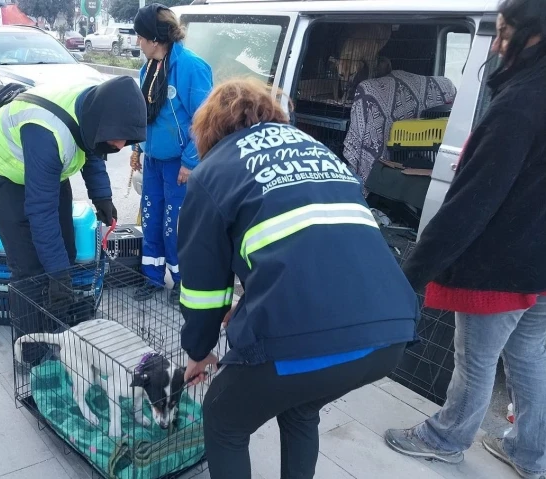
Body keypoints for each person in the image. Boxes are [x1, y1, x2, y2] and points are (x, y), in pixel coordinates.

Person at [178, 78, 419, 479]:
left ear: (211, 130)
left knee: (224, 419)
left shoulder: (214, 171)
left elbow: (203, 289)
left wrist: (199, 352)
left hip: (303, 338)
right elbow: (317, 248)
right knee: (300, 407)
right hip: (389, 333)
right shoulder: (320, 152)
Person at [384, 1, 546, 478]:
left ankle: (445, 438)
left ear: (532, 35)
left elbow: (471, 203)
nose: (496, 44)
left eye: (503, 33)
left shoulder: (518, 104)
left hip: (501, 264)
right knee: (529, 355)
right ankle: (530, 452)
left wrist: (410, 272)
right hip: (540, 264)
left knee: (475, 361)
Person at [0, 76, 146, 283]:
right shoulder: (47, 134)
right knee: (29, 266)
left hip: (45, 165)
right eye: (118, 137)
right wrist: (58, 275)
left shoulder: (93, 107)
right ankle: (32, 309)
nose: (120, 146)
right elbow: (41, 211)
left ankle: (62, 303)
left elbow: (92, 146)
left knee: (66, 248)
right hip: (1, 170)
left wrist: (102, 197)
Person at [130, 4, 213, 304]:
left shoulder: (191, 67)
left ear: (154, 39)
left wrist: (191, 162)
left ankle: (182, 282)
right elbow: (146, 112)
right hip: (153, 161)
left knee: (174, 225)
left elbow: (205, 119)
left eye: (140, 36)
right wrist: (138, 147)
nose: (137, 42)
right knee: (151, 219)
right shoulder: (147, 68)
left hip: (180, 163)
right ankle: (152, 277)